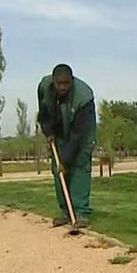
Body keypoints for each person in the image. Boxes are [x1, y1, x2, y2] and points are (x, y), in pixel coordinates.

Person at [37, 64, 97, 228]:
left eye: (66, 83)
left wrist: (66, 159)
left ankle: (81, 212)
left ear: (72, 81)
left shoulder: (84, 96)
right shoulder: (44, 86)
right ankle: (66, 212)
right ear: (53, 82)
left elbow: (78, 135)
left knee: (79, 165)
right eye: (59, 83)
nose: (62, 87)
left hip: (82, 132)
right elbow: (43, 113)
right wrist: (48, 132)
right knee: (58, 169)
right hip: (60, 126)